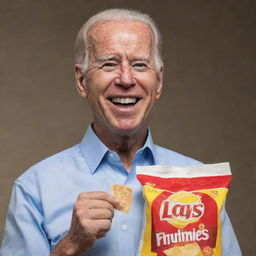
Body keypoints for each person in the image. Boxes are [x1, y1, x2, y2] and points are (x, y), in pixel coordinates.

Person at [0, 8, 242, 256]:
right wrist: (70, 245)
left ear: (158, 82)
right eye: (109, 64)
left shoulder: (200, 188)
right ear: (82, 81)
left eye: (139, 64)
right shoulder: (34, 188)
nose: (126, 79)